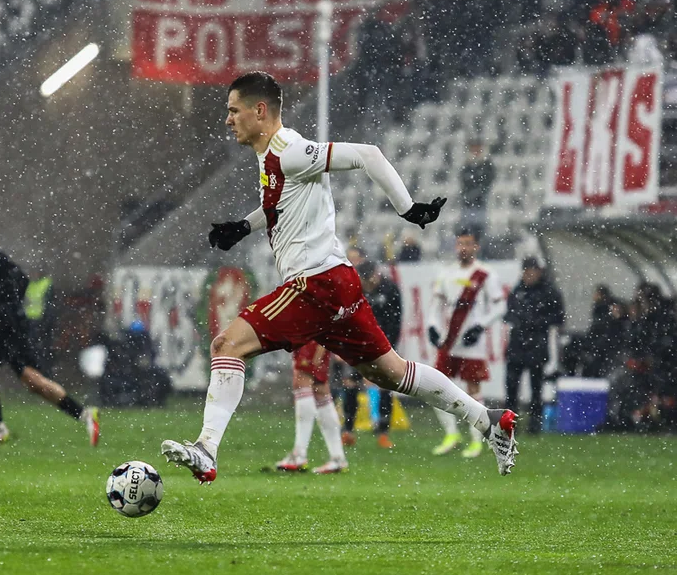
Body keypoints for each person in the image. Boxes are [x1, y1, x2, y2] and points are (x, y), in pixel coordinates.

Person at [160, 72, 518, 484]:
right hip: (337, 283)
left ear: (259, 111)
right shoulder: (271, 157)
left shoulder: (290, 150)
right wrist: (242, 227)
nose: (228, 120)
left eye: (233, 110)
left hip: (314, 284)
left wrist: (408, 209)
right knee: (391, 373)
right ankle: (489, 419)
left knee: (227, 344)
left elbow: (368, 154)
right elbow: (282, 206)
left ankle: (206, 448)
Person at [0, 225, 100, 450]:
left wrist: (8, 305)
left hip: (11, 325)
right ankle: (84, 414)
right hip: (5, 327)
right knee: (34, 382)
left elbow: (21, 280)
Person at [426, 228, 507, 458]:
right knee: (435, 387)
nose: (464, 248)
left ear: (476, 246)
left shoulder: (484, 274)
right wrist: (432, 325)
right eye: (460, 243)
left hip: (472, 343)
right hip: (449, 341)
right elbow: (436, 304)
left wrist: (480, 325)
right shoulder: (447, 273)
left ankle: (476, 440)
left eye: (468, 243)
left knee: (473, 390)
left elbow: (500, 306)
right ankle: (451, 434)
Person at [342, 261, 402, 449]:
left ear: (377, 274)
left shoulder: (391, 289)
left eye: (371, 280)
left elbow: (396, 321)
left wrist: (388, 348)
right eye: (365, 281)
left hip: (383, 346)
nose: (369, 285)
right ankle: (348, 430)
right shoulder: (355, 290)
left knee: (385, 385)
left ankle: (383, 432)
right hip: (358, 344)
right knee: (351, 383)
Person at [504, 257, 565, 433]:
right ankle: (509, 425)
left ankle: (534, 425)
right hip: (517, 345)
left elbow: (558, 316)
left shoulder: (549, 292)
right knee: (511, 387)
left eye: (532, 271)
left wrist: (537, 322)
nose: (529, 275)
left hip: (536, 346)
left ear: (539, 272)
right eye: (526, 271)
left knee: (536, 388)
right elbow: (509, 313)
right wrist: (518, 320)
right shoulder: (518, 290)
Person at [270, 342, 349, 474]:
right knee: (320, 390)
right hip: (315, 333)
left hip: (311, 333)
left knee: (302, 380)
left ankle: (299, 455)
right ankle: (337, 458)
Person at [459, 139, 494, 238]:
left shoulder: (487, 165)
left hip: (481, 203)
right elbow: (464, 181)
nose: (475, 152)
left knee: (481, 231)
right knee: (466, 230)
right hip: (468, 204)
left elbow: (487, 182)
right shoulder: (467, 165)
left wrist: (477, 192)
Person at [24, 268, 56, 376]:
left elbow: (49, 305)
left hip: (41, 321)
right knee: (33, 349)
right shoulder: (31, 285)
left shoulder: (46, 284)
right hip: (31, 320)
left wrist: (46, 322)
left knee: (43, 349)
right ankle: (37, 374)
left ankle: (45, 374)